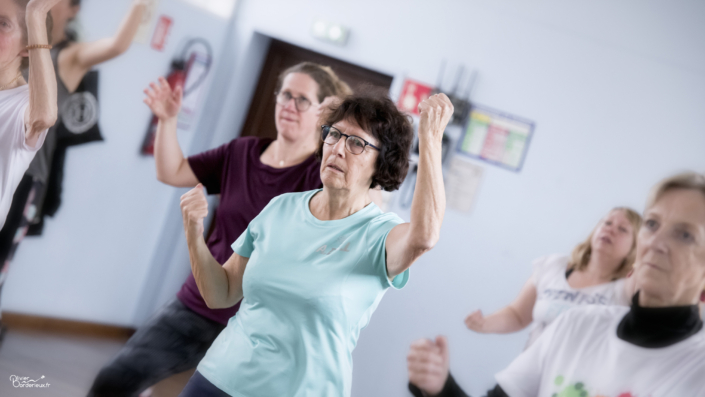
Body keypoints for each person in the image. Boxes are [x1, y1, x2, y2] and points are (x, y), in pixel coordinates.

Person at [87, 62, 352, 396]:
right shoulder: (241, 152)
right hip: (200, 304)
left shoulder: (320, 176)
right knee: (113, 380)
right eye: (285, 94)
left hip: (261, 323)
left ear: (321, 112)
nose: (289, 105)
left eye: (302, 99)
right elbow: (174, 171)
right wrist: (168, 120)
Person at [175, 92, 453, 397]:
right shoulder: (280, 207)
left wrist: (431, 138)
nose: (337, 149)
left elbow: (425, 236)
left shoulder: (381, 236)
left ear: (381, 163)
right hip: (217, 379)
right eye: (333, 135)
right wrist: (193, 232)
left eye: (356, 143)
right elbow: (221, 293)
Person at [408, 172, 705, 397]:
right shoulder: (576, 325)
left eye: (685, 235)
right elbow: (518, 314)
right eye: (652, 224)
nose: (656, 243)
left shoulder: (696, 369)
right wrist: (440, 387)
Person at [0, 0, 147, 334]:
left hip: (29, 174)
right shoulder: (13, 35)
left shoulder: (66, 56)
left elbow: (118, 45)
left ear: (71, 9)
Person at [465, 207, 642, 347]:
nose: (610, 230)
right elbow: (517, 315)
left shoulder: (627, 289)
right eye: (607, 223)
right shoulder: (554, 266)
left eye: (622, 229)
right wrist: (485, 324)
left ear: (635, 246)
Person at [0, 0, 58, 340]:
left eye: (2, 24)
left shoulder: (23, 102)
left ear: (26, 47)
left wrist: (36, 16)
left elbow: (45, 116)